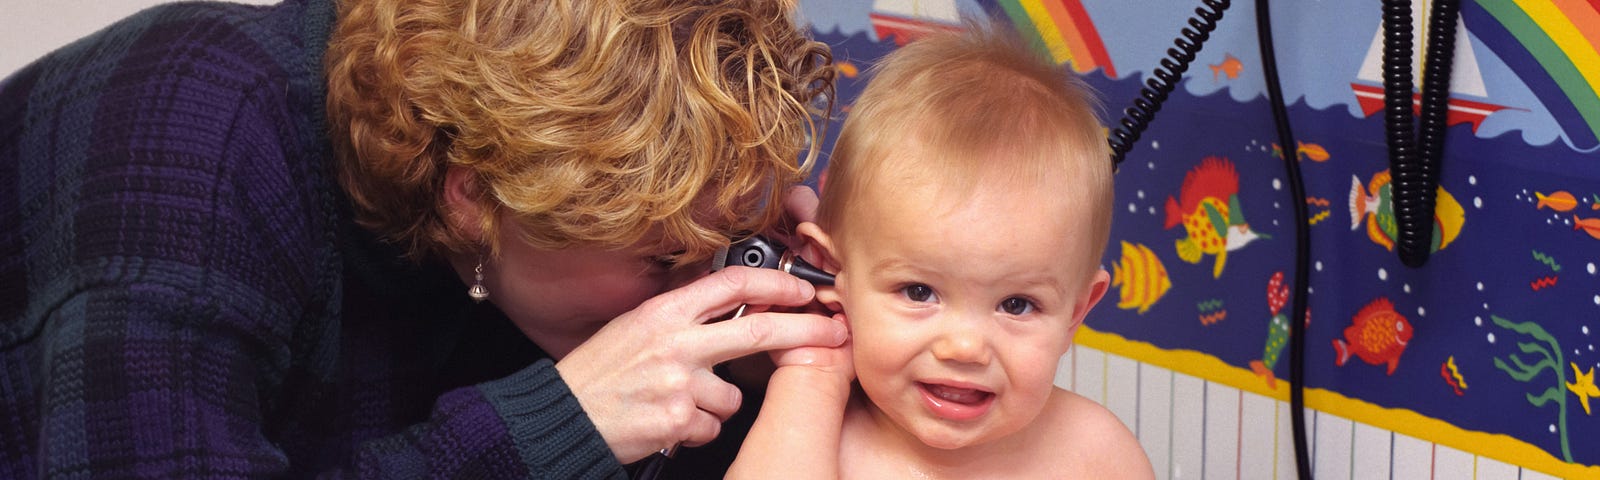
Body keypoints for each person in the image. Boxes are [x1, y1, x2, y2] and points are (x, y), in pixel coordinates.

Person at [0, 0, 844, 477]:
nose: (702, 297)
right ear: (473, 198)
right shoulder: (196, 136)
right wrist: (558, 423)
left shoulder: (529, 246)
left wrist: (778, 393)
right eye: (663, 259)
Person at [727, 23, 1155, 479]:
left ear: (1075, 312)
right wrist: (813, 375)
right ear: (831, 273)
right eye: (918, 292)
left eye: (1017, 304)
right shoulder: (811, 436)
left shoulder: (1096, 456)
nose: (965, 348)